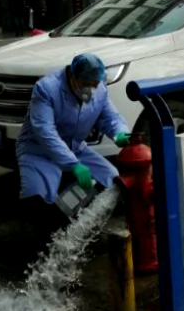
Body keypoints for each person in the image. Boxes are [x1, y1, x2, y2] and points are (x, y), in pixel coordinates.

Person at [16, 52, 131, 205]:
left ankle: (82, 214)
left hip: (76, 149)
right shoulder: (46, 88)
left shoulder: (100, 90)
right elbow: (45, 132)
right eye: (86, 84)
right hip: (39, 151)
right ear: (72, 75)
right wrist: (73, 164)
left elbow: (110, 118)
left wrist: (120, 133)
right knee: (39, 199)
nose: (90, 90)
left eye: (95, 85)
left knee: (112, 181)